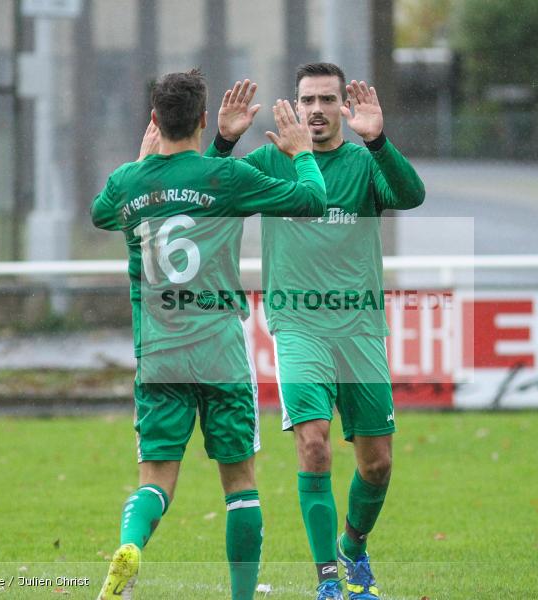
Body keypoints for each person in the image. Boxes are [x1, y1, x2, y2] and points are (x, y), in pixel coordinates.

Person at [91, 69, 327, 600]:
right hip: (220, 347)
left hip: (160, 352)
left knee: (155, 477)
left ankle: (131, 545)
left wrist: (141, 162)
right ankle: (242, 596)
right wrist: (300, 150)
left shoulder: (129, 184)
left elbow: (102, 211)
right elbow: (313, 198)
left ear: (154, 120)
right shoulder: (226, 179)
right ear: (201, 119)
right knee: (239, 481)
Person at [206, 63, 425, 600]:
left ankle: (353, 544)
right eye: (309, 101)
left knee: (377, 463)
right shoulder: (271, 162)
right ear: (295, 108)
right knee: (314, 446)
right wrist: (222, 142)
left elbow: (411, 195)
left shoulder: (361, 162)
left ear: (344, 110)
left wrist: (379, 143)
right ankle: (328, 578)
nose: (319, 110)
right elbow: (206, 192)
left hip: (360, 328)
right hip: (298, 325)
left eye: (329, 99)